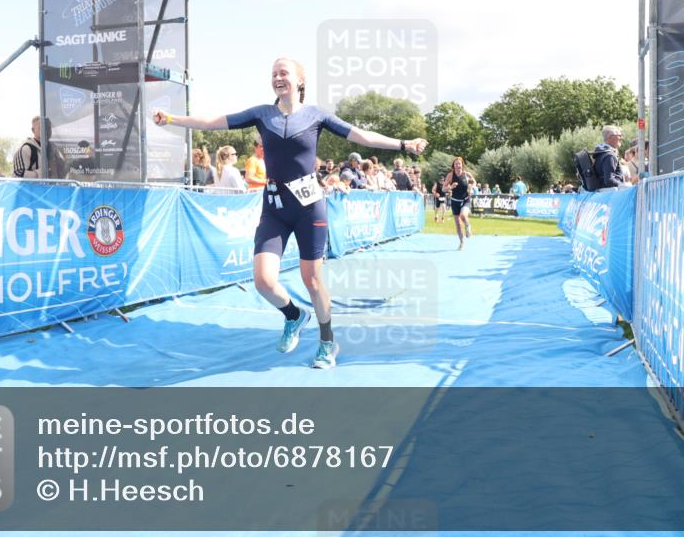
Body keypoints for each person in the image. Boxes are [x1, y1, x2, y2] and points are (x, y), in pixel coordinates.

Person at [153, 57, 427, 369]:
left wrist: (404, 144)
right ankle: (294, 315)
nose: (277, 77)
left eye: (284, 72)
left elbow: (362, 136)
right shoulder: (261, 114)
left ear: (299, 81)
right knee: (263, 280)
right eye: (273, 73)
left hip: (309, 208)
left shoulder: (316, 116)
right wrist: (173, 119)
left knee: (312, 280)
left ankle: (326, 342)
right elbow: (213, 121)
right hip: (274, 208)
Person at [442, 157, 476, 250]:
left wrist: (472, 187)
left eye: (459, 164)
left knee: (463, 215)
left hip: (465, 200)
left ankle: (468, 226)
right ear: (453, 166)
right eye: (456, 164)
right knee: (458, 224)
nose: (458, 165)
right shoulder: (450, 175)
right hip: (454, 201)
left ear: (462, 165)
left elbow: (474, 182)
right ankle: (461, 243)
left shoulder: (467, 174)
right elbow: (443, 189)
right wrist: (450, 187)